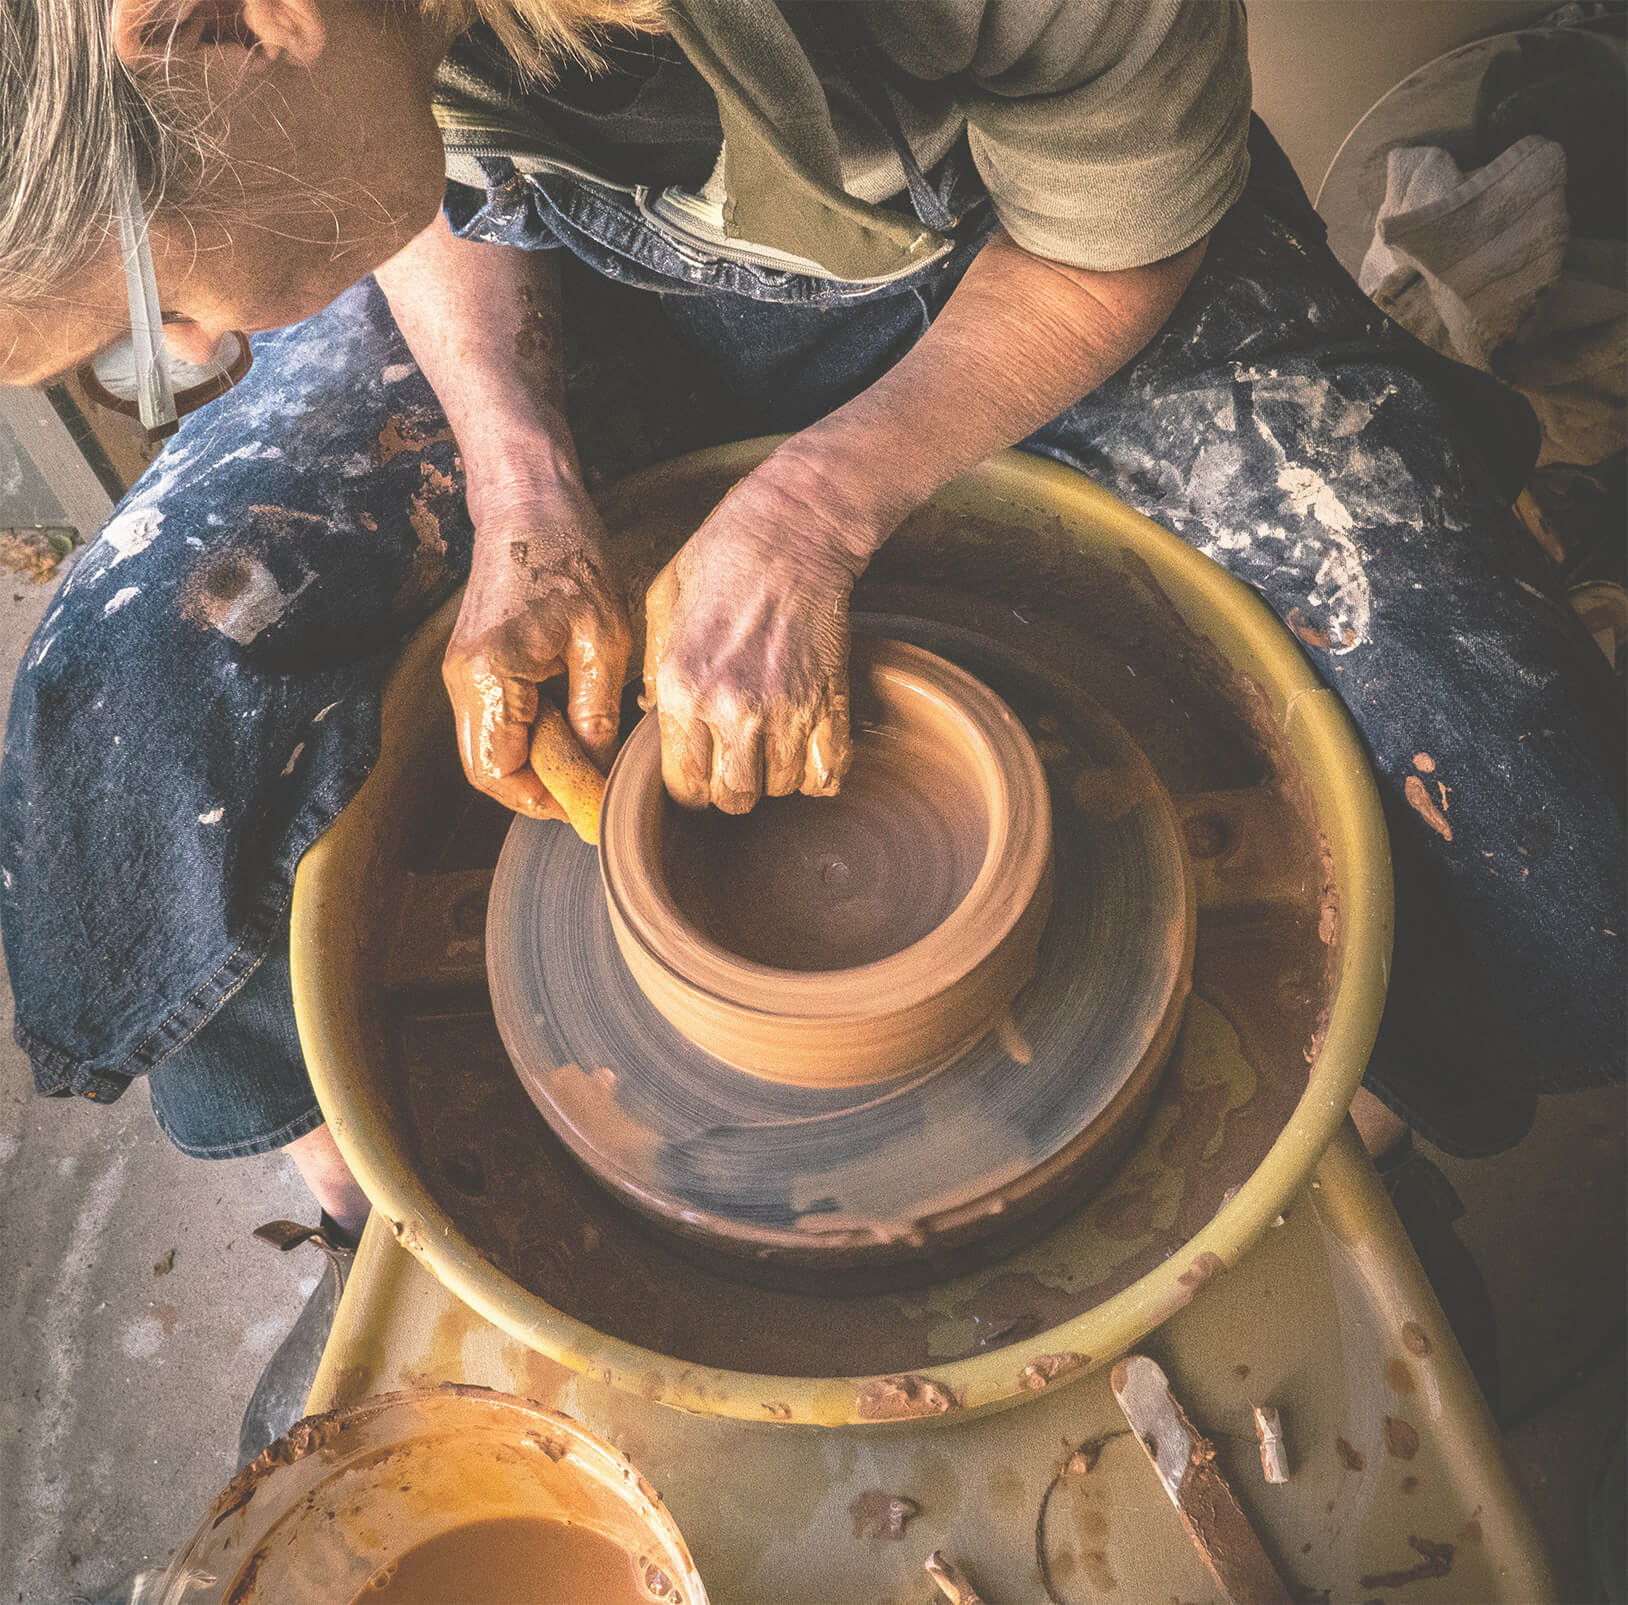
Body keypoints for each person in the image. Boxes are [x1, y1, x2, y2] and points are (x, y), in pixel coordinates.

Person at [0, 0, 1621, 1256]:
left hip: (1028, 261)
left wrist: (815, 510)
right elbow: (390, 154)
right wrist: (518, 470)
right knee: (137, 687)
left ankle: (1326, 1167)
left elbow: (1114, 227)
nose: (204, 351)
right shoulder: (297, 59)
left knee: (1522, 789)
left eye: (152, 314)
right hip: (559, 268)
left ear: (223, 21)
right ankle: (370, 1218)